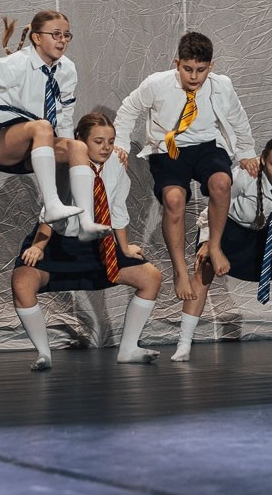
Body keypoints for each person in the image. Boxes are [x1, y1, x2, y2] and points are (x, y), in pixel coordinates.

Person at [114, 31, 259, 301]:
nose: (194, 76)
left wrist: (247, 152)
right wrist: (121, 143)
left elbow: (238, 118)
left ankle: (214, 245)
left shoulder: (222, 85)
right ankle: (180, 271)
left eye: (201, 70)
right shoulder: (157, 84)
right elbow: (129, 108)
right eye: (187, 69)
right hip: (169, 148)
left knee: (222, 183)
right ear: (177, 63)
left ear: (210, 67)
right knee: (174, 200)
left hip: (207, 146)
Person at [11, 113, 163, 369]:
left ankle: (129, 349)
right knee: (22, 282)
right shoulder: (64, 165)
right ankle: (44, 354)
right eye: (98, 141)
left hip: (96, 241)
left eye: (110, 141)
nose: (106, 148)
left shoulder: (116, 163)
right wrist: (38, 246)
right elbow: (51, 212)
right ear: (80, 140)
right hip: (59, 240)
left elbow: (117, 209)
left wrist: (125, 247)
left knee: (151, 277)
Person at [0, 10, 109, 240]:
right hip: (0, 139)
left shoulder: (68, 69)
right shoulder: (14, 65)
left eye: (66, 35)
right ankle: (52, 205)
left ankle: (84, 222)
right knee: (42, 126)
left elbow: (64, 117)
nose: (62, 40)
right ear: (37, 38)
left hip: (38, 143)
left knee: (78, 147)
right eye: (56, 34)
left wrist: (67, 152)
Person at [172, 135, 272, 361]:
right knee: (204, 268)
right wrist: (208, 242)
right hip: (228, 228)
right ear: (263, 160)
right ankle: (183, 344)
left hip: (264, 233)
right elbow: (214, 206)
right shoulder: (244, 176)